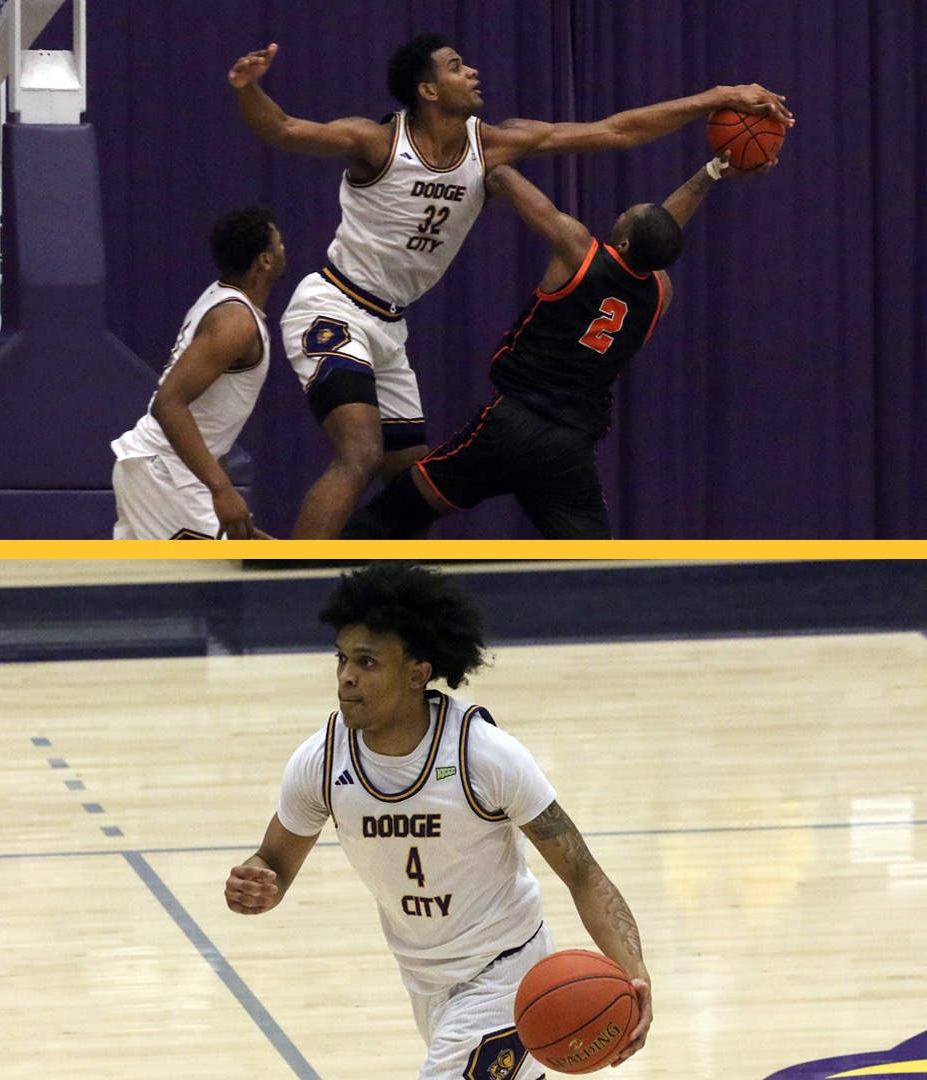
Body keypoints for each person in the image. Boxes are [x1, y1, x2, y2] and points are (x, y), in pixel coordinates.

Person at [227, 34, 794, 538]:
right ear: (428, 90)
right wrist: (249, 88)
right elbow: (283, 129)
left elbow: (617, 131)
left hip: (388, 324)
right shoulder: (377, 141)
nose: (472, 71)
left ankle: (392, 598)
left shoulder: (492, 147)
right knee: (360, 452)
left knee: (407, 483)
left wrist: (713, 98)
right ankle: (288, 587)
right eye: (456, 66)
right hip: (334, 302)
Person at [225, 563, 651, 1078]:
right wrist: (255, 884)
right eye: (342, 658)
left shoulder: (483, 755)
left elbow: (581, 870)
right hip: (425, 983)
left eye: (366, 661)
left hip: (507, 974)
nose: (346, 676)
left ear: (417, 674)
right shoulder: (321, 761)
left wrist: (635, 971)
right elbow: (274, 861)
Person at [343, 156, 768, 539]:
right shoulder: (661, 292)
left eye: (626, 215)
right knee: (597, 566)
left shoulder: (578, 250)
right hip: (567, 449)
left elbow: (507, 181)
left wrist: (481, 155)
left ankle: (316, 573)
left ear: (623, 243)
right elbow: (660, 234)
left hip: (510, 427)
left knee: (394, 511)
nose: (621, 214)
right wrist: (708, 174)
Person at [111, 207, 287, 540]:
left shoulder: (222, 301)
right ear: (265, 260)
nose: (284, 250)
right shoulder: (236, 321)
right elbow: (168, 404)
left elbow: (204, 423)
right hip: (166, 474)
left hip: (160, 471)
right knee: (217, 574)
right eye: (279, 244)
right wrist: (222, 490)